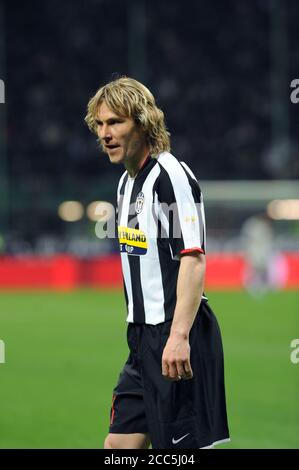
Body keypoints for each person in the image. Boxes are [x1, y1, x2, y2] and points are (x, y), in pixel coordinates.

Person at [85, 77, 230, 449]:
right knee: (119, 447)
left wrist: (179, 336)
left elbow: (193, 258)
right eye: (100, 124)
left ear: (143, 122)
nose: (105, 133)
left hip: (177, 335)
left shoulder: (171, 176)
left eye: (115, 122)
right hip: (141, 341)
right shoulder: (125, 184)